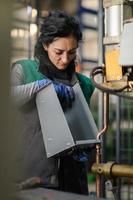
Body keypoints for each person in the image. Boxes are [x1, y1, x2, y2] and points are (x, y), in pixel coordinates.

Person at [11, 10, 95, 195]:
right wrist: (41, 86)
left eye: (71, 52)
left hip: (73, 180)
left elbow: (83, 127)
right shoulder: (24, 70)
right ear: (46, 44)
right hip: (32, 176)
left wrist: (86, 147)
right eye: (59, 52)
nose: (65, 59)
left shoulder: (83, 83)